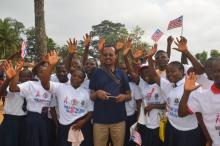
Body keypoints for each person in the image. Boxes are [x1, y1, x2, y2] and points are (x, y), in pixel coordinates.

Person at [147, 37, 203, 146]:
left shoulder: (193, 86)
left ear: (182, 71)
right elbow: (154, 75)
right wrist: (149, 57)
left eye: (173, 71)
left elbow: (183, 113)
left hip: (188, 131)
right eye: (167, 72)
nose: (169, 74)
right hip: (171, 127)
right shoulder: (169, 85)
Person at [40, 51, 93, 146]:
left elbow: (90, 111)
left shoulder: (86, 93)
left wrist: (83, 122)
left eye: (79, 77)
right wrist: (50, 65)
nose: (76, 78)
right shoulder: (60, 87)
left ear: (83, 80)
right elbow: (44, 83)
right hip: (64, 127)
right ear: (70, 76)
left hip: (82, 126)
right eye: (74, 76)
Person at [90, 47, 131, 146]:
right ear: (101, 57)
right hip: (100, 120)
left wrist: (124, 97)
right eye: (105, 55)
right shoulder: (96, 73)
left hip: (119, 120)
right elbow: (91, 96)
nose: (108, 57)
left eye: (111, 54)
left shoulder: (122, 73)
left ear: (116, 56)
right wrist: (97, 93)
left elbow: (129, 95)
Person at [7, 59, 54, 146]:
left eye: (46, 71)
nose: (44, 74)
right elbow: (13, 88)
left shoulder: (53, 87)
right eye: (41, 72)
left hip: (46, 121)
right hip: (32, 121)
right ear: (36, 75)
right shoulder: (30, 85)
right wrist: (17, 71)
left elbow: (53, 107)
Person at [178, 57, 220, 146]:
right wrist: (186, 92)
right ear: (211, 74)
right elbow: (181, 113)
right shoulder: (202, 96)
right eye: (217, 71)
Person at [0, 60, 32, 146]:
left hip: (25, 121)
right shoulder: (13, 87)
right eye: (23, 76)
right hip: (11, 121)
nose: (26, 79)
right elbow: (2, 93)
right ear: (19, 78)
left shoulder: (31, 89)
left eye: (28, 76)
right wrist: (8, 79)